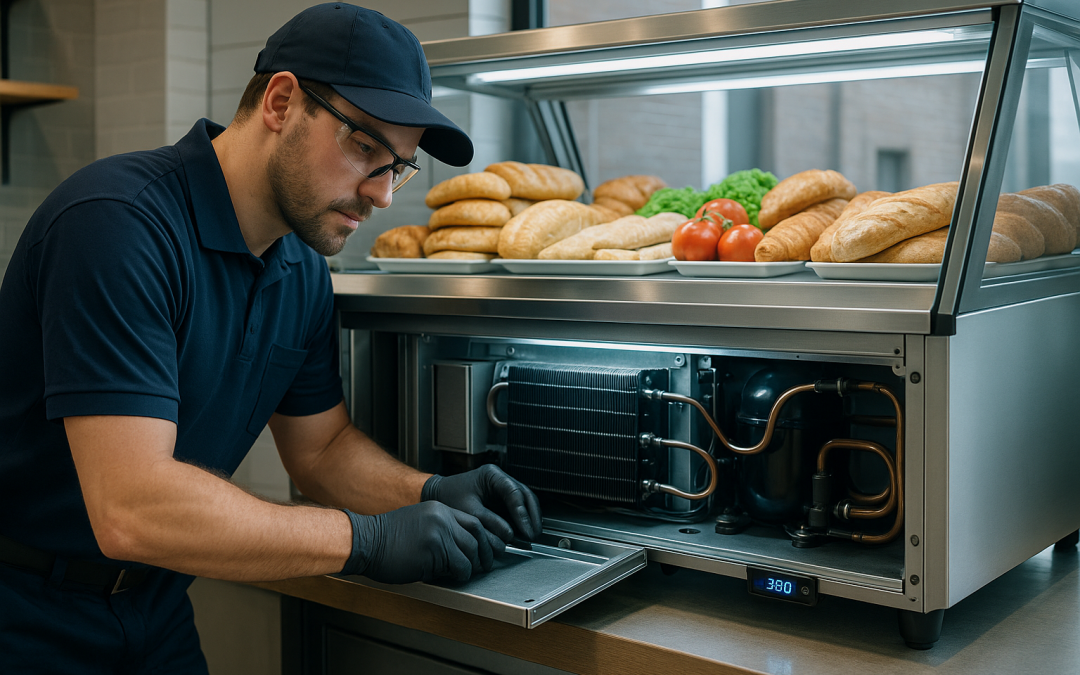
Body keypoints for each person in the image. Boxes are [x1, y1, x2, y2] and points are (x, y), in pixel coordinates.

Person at [0, 4, 542, 673]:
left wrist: (425, 492)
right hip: (24, 610)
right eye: (365, 147)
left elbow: (321, 449)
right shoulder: (117, 227)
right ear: (282, 100)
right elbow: (132, 508)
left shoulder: (302, 272)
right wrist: (365, 539)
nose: (380, 195)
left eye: (396, 166)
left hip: (155, 604)